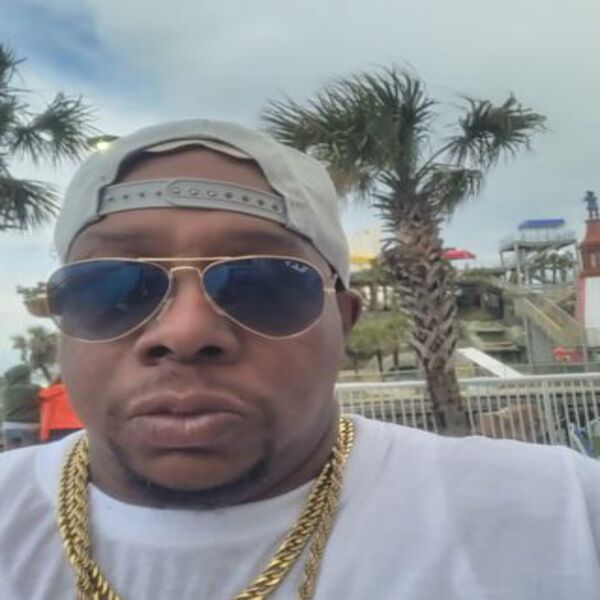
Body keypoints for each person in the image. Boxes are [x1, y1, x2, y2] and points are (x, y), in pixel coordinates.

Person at [0, 120, 599, 600]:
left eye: (263, 283)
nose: (185, 333)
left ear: (343, 322)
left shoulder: (562, 516)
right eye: (111, 287)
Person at [0, 364, 40, 451]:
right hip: (29, 426)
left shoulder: (6, 391)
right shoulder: (35, 389)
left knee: (11, 455)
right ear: (25, 376)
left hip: (8, 426)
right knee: (29, 454)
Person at [37, 376, 83, 442]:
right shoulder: (79, 393)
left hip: (56, 430)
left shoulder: (51, 394)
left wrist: (44, 435)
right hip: (78, 428)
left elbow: (47, 415)